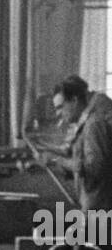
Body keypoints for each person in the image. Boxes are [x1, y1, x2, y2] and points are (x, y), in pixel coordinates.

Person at [35, 76, 112, 212]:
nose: (59, 114)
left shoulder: (93, 125)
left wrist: (56, 159)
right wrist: (55, 161)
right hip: (94, 207)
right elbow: (81, 168)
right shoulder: (85, 125)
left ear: (74, 100)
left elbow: (95, 169)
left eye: (60, 107)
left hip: (100, 209)